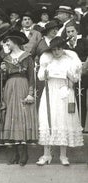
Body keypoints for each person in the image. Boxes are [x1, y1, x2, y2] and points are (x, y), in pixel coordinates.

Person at [36, 37, 84, 166]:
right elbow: (40, 76)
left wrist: (67, 74)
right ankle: (46, 154)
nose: (57, 52)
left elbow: (75, 78)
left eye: (59, 49)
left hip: (64, 91)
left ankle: (63, 155)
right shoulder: (48, 60)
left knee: (64, 120)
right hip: (50, 92)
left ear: (63, 48)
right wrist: (46, 72)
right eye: (54, 50)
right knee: (48, 120)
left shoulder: (69, 60)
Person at [0, 30, 38, 166]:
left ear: (14, 41)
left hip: (22, 85)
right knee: (12, 117)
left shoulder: (27, 57)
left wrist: (30, 93)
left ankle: (23, 153)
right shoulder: (6, 59)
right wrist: (3, 72)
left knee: (22, 117)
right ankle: (15, 153)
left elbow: (31, 78)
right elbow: (3, 80)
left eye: (7, 41)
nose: (6, 44)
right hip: (10, 88)